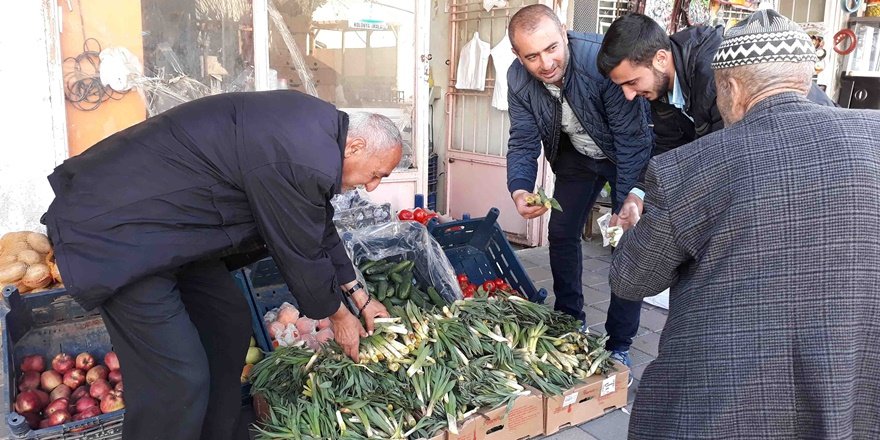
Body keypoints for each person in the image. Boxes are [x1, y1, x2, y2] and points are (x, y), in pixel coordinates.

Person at [40, 90, 402, 440]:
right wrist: (339, 316)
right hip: (121, 232)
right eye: (377, 174)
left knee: (228, 323)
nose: (371, 187)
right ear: (354, 147)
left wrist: (360, 296)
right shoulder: (304, 155)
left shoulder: (316, 135)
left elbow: (317, 224)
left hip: (175, 233)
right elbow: (301, 253)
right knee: (177, 378)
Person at [609, 10, 880, 439]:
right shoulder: (875, 137)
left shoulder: (690, 169)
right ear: (804, 79)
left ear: (731, 88)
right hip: (852, 394)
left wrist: (635, 234)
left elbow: (630, 280)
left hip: (724, 405)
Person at [505, 4, 653, 370]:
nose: (546, 63)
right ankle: (570, 320)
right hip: (576, 156)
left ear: (565, 31)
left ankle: (620, 342)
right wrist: (520, 189)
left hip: (623, 155)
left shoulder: (599, 62)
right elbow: (523, 139)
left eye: (552, 48)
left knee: (626, 241)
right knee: (561, 230)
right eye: (532, 56)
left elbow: (632, 140)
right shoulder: (517, 79)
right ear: (517, 56)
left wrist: (630, 197)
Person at [596, 12, 836, 231]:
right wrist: (638, 194)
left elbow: (726, 160)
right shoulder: (661, 85)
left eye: (632, 82)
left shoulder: (715, 76)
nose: (628, 95)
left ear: (660, 58)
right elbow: (669, 147)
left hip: (812, 154)